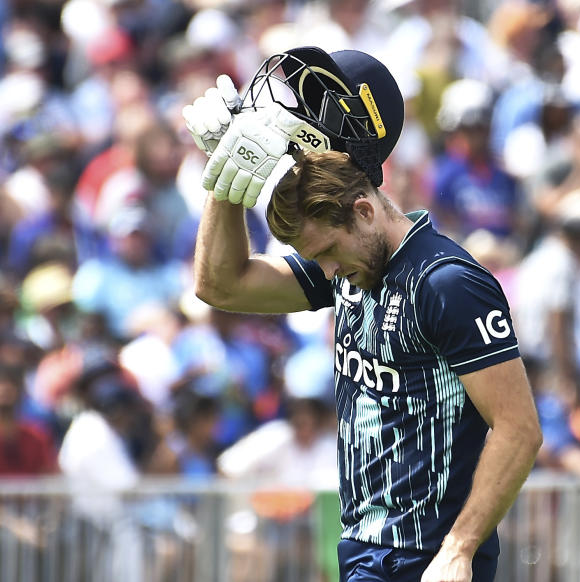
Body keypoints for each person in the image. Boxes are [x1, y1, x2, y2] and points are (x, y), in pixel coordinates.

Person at [186, 46, 541, 582]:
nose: (325, 270)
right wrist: (223, 178)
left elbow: (518, 429)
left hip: (426, 561)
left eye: (328, 252)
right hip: (362, 552)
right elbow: (222, 283)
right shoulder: (351, 263)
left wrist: (459, 550)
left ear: (365, 210)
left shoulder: (446, 283)